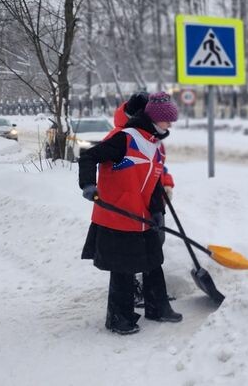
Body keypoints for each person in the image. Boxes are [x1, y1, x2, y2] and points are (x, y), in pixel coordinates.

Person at [79, 92, 182, 335]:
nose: (171, 124)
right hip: (118, 215)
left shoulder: (154, 145)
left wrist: (157, 210)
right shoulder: (125, 138)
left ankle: (157, 307)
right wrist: (88, 185)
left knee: (153, 261)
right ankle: (118, 319)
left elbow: (155, 182)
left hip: (142, 216)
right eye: (168, 119)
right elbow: (89, 157)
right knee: (123, 267)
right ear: (154, 118)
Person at [108, 92, 177, 307]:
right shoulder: (121, 135)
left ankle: (151, 291)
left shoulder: (154, 136)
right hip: (131, 203)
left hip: (154, 201)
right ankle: (133, 289)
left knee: (155, 244)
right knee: (131, 248)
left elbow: (158, 165)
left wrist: (166, 182)